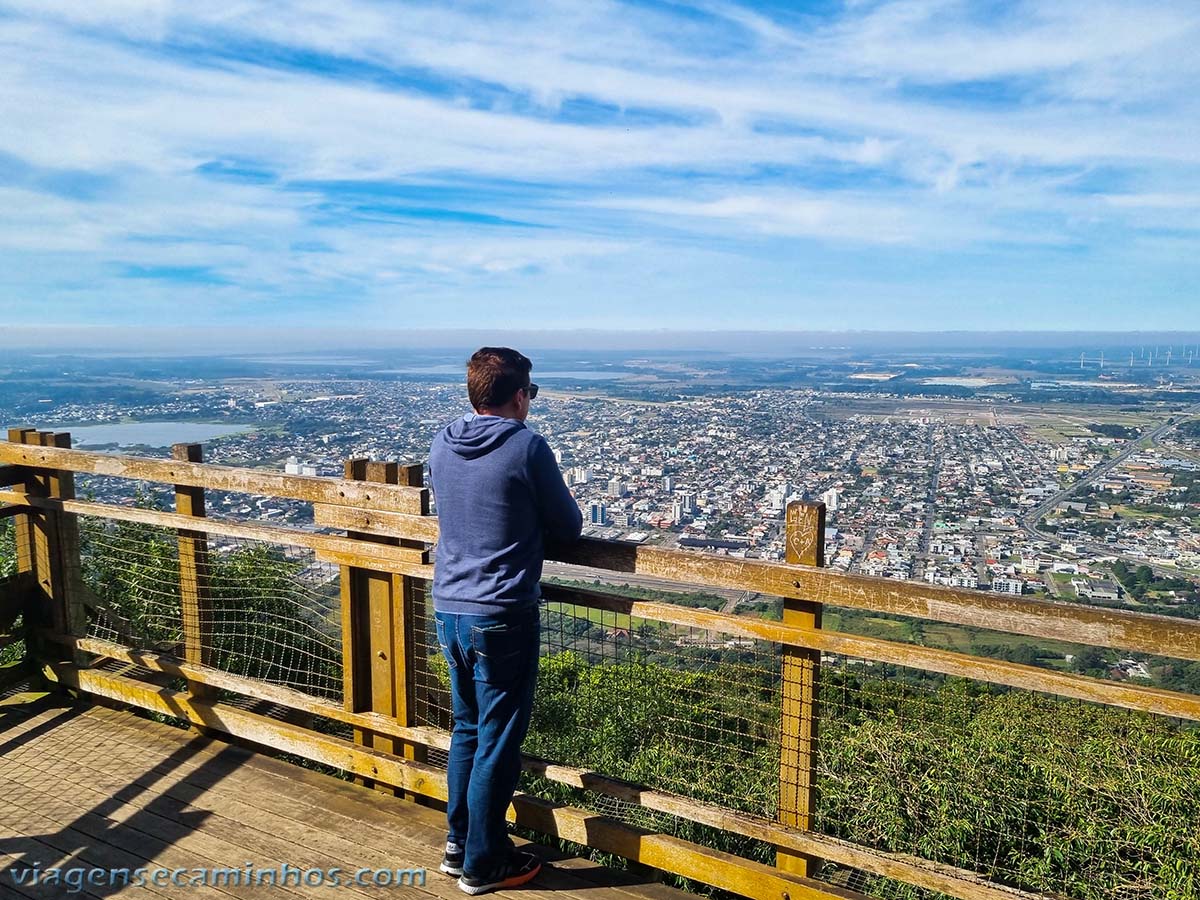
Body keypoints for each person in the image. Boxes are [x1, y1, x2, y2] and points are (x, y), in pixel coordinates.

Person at [428, 347, 583, 895]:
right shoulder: (526, 447)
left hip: (449, 607)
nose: (531, 403)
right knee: (497, 739)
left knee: (467, 730)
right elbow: (569, 525)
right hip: (501, 612)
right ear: (519, 395)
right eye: (531, 393)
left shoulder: (442, 443)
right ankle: (484, 862)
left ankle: (458, 845)